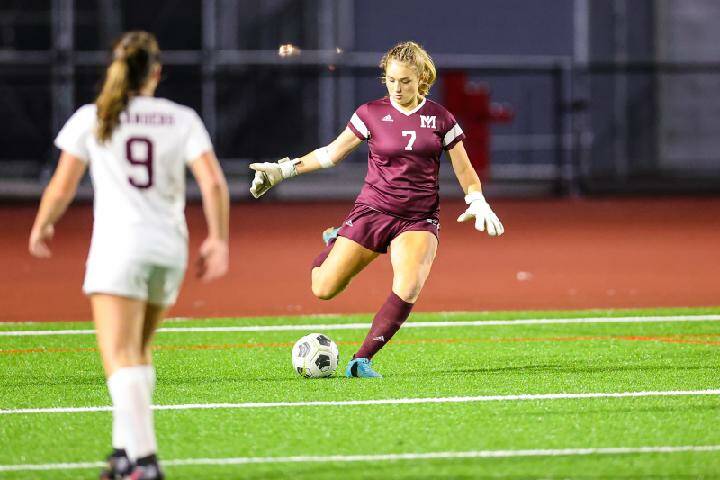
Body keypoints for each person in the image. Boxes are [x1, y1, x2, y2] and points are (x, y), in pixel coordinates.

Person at [28, 31, 230, 479]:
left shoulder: (94, 116)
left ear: (115, 68)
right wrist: (218, 239)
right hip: (168, 249)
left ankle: (146, 461)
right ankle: (123, 452)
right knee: (136, 352)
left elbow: (62, 185)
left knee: (120, 356)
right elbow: (214, 183)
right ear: (156, 73)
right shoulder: (181, 118)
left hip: (119, 249)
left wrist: (43, 223)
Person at [249, 41, 503, 378]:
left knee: (409, 285)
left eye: (406, 81)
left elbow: (464, 169)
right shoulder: (370, 113)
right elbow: (331, 154)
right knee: (323, 289)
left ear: (422, 79)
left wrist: (476, 198)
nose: (398, 88)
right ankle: (335, 240)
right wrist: (284, 170)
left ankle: (362, 359)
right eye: (392, 80)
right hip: (372, 211)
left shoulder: (440, 118)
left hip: (418, 218)